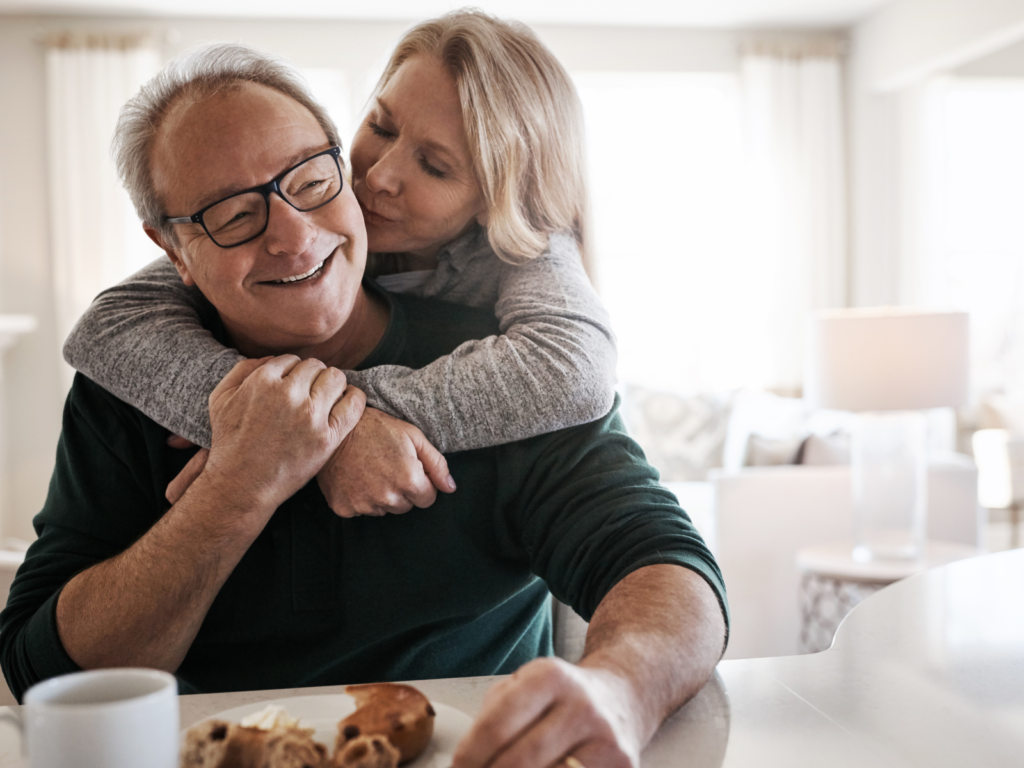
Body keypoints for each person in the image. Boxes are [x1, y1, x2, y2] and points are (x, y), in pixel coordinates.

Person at [0, 41, 728, 768]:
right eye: (232, 214)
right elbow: (48, 676)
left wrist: (619, 692)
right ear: (173, 248)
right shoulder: (128, 381)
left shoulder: (507, 371)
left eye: (310, 180)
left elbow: (666, 565)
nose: (292, 236)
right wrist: (237, 488)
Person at [63, 10, 617, 519]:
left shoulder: (526, 248)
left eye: (434, 166)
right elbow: (108, 325)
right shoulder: (316, 202)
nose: (377, 176)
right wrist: (290, 430)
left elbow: (577, 372)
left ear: (498, 199)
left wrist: (309, 421)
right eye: (381, 127)